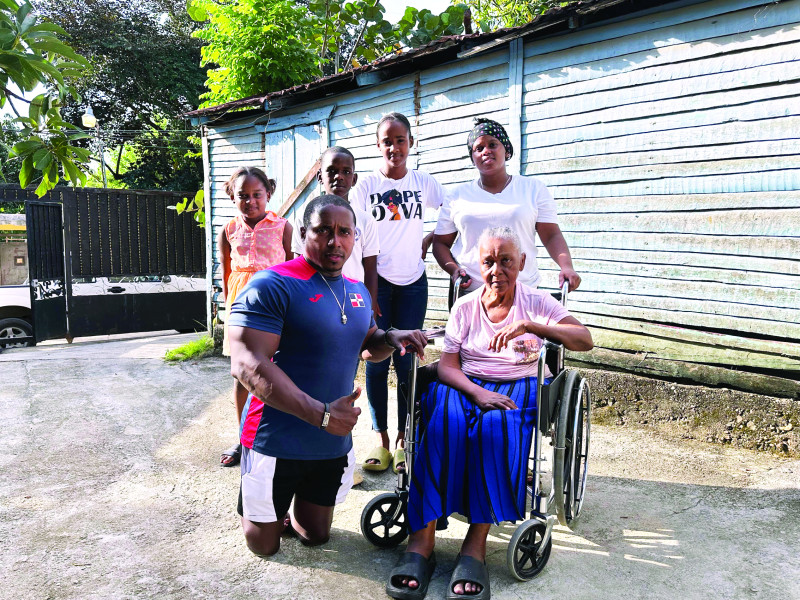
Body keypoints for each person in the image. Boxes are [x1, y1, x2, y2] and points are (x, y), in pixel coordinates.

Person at [385, 226, 593, 600]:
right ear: (479, 266)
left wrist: (531, 325)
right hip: (467, 382)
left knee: (496, 427)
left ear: (522, 263)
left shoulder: (536, 301)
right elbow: (447, 367)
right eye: (489, 262)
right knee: (442, 420)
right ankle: (423, 539)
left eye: (506, 261)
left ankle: (475, 542)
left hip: (521, 383)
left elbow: (585, 339)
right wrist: (478, 393)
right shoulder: (465, 306)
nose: (497, 269)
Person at [227, 194, 428, 557]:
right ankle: (266, 513)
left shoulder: (357, 292)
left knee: (316, 536)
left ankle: (290, 510)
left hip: (328, 444)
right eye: (323, 231)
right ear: (304, 233)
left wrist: (391, 338)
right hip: (275, 440)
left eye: (344, 232)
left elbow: (367, 344)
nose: (335, 241)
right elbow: (247, 363)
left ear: (355, 237)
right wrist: (321, 415)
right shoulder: (272, 285)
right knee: (263, 547)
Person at [350, 112, 447, 475]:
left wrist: (432, 237)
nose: (394, 147)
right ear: (379, 146)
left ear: (411, 142)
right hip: (376, 283)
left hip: (413, 283)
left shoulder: (424, 183)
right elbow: (354, 232)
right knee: (375, 359)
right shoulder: (365, 187)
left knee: (408, 360)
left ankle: (407, 441)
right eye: (387, 141)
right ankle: (382, 440)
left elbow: (453, 211)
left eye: (400, 140)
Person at [432, 117, 581, 299]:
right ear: (472, 158)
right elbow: (440, 243)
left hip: (522, 291)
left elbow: (551, 235)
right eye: (478, 148)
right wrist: (454, 270)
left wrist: (566, 266)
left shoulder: (533, 189)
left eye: (493, 144)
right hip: (470, 293)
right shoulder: (457, 196)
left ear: (507, 150)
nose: (486, 151)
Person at [217, 166, 293, 467]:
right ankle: (242, 438)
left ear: (268, 194)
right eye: (243, 196)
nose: (250, 201)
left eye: (256, 195)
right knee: (241, 372)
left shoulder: (282, 227)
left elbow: (292, 268)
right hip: (240, 306)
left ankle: (279, 434)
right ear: (233, 198)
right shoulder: (228, 230)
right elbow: (225, 272)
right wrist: (228, 308)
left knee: (279, 370)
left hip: (275, 306)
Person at [291, 146, 379, 314]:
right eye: (331, 171)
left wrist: (371, 305)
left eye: (346, 172)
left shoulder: (366, 220)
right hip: (315, 295)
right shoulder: (304, 216)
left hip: (354, 297)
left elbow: (370, 269)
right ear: (319, 177)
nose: (339, 176)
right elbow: (298, 263)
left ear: (354, 179)